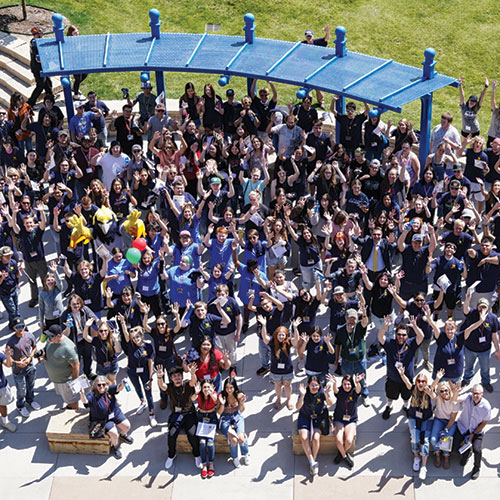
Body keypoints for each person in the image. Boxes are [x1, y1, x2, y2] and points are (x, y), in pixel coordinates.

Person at [378, 316, 424, 420]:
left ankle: (406, 407)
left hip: (407, 379)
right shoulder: (390, 343)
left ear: (407, 335)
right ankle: (389, 407)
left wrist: (415, 327)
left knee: (406, 397)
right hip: (392, 378)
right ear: (395, 334)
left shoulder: (411, 344)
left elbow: (421, 336)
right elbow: (380, 337)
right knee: (390, 396)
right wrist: (384, 327)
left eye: (404, 335)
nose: (401, 337)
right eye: (399, 334)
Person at [157, 364, 202, 470]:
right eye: (174, 376)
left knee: (192, 434)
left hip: (188, 414)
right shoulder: (170, 387)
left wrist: (192, 373)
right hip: (176, 415)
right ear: (171, 378)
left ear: (182, 377)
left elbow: (193, 382)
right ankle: (171, 455)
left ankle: (197, 454)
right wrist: (159, 377)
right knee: (171, 435)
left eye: (178, 376)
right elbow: (162, 386)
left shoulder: (187, 384)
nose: (176, 378)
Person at [397, 368, 437, 480]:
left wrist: (437, 379)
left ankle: (423, 467)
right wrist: (402, 374)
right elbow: (407, 383)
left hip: (426, 419)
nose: (420, 383)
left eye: (423, 381)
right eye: (419, 381)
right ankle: (417, 458)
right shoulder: (413, 388)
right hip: (414, 417)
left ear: (426, 382)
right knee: (414, 438)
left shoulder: (428, 390)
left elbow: (434, 395)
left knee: (424, 440)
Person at [80, 376, 133, 459]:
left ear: (106, 384)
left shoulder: (109, 390)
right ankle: (115, 447)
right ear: (95, 386)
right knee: (114, 434)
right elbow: (85, 401)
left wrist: (123, 383)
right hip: (103, 419)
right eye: (99, 385)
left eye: (103, 384)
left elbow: (119, 388)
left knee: (127, 426)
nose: (101, 387)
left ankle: (123, 435)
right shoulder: (93, 395)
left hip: (115, 413)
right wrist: (82, 394)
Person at [296, 374, 334, 476]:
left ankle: (313, 460)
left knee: (316, 438)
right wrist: (302, 395)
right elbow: (297, 406)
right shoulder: (304, 392)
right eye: (312, 385)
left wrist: (326, 394)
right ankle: (312, 462)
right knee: (304, 438)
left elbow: (330, 404)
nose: (314, 387)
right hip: (305, 416)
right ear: (308, 385)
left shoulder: (322, 392)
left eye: (316, 385)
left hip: (318, 417)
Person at [461, 294, 500, 392]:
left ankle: (486, 382)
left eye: (484, 307)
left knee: (485, 368)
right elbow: (465, 309)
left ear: (488, 308)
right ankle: (467, 379)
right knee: (468, 366)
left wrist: (497, 349)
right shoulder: (472, 314)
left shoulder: (493, 318)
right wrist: (467, 299)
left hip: (485, 350)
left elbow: (494, 335)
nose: (482, 308)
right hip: (470, 348)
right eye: (480, 306)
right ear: (477, 306)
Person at [258, 317, 299, 410]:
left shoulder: (288, 342)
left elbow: (296, 340)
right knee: (278, 385)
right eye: (279, 335)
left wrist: (295, 328)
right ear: (276, 335)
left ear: (286, 335)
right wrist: (264, 325)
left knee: (288, 385)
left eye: (283, 335)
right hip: (275, 370)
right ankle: (278, 399)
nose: (281, 337)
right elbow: (264, 337)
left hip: (287, 370)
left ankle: (288, 399)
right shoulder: (272, 342)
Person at [120, 324, 156, 427]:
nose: (136, 339)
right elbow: (126, 334)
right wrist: (122, 322)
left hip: (144, 372)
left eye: (137, 337)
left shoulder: (148, 346)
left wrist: (150, 378)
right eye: (134, 338)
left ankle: (151, 414)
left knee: (148, 392)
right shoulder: (131, 344)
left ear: (141, 336)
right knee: (137, 388)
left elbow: (150, 363)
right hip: (132, 371)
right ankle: (142, 401)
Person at [454, 384, 491, 480]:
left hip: (476, 431)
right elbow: (455, 399)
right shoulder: (468, 397)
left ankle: (476, 468)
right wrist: (456, 392)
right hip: (463, 427)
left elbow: (484, 423)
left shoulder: (486, 407)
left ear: (482, 394)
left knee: (477, 450)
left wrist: (473, 434)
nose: (475, 396)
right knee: (453, 446)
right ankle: (465, 454)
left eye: (477, 394)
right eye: (474, 393)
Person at [335, 306, 370, 405]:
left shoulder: (360, 327)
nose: (351, 321)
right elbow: (338, 345)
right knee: (347, 381)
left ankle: (365, 395)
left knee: (362, 380)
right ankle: (348, 396)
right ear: (346, 318)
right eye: (350, 318)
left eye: (354, 318)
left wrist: (364, 314)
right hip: (346, 362)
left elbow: (365, 322)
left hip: (360, 361)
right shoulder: (340, 330)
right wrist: (336, 359)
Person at [6, 317, 40, 418]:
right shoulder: (11, 342)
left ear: (25, 326)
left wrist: (30, 358)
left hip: (30, 367)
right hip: (18, 371)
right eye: (17, 327)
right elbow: (9, 359)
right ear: (14, 328)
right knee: (21, 390)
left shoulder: (30, 336)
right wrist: (17, 363)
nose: (20, 329)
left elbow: (34, 347)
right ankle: (20, 406)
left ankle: (30, 400)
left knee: (31, 385)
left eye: (21, 326)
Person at [44, 324, 80, 410]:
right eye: (48, 335)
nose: (48, 338)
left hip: (65, 381)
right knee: (66, 398)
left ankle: (72, 409)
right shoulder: (51, 341)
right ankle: (69, 406)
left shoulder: (68, 348)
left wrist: (73, 383)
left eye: (51, 336)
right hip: (57, 379)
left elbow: (76, 366)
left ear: (59, 336)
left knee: (72, 399)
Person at [332, 373, 363, 469]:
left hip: (351, 420)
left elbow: (358, 390)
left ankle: (340, 453)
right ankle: (345, 456)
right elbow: (335, 390)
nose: (346, 386)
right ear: (342, 384)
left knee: (349, 441)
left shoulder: (354, 392)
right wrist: (334, 383)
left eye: (348, 384)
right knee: (339, 440)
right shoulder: (340, 391)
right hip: (339, 419)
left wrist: (358, 382)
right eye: (344, 384)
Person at [217, 377, 250, 468]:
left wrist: (242, 403)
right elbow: (219, 412)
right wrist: (222, 404)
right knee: (234, 440)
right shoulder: (221, 396)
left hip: (237, 417)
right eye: (227, 387)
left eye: (231, 387)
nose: (229, 390)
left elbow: (241, 410)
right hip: (225, 419)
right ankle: (235, 457)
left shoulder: (238, 395)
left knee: (241, 438)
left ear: (234, 387)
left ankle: (246, 453)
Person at [429, 374, 459, 470]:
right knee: (433, 440)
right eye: (441, 391)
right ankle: (437, 453)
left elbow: (453, 418)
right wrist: (437, 378)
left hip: (450, 422)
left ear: (449, 390)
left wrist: (446, 429)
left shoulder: (454, 402)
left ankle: (446, 456)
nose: (444, 393)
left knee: (445, 440)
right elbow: (431, 391)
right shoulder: (438, 398)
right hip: (439, 419)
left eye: (446, 390)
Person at [195, 379, 219, 478]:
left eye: (208, 387)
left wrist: (211, 392)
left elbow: (215, 400)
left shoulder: (213, 393)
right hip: (201, 416)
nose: (206, 389)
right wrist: (196, 392)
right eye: (204, 387)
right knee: (202, 442)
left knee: (210, 442)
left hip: (212, 417)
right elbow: (192, 398)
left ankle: (211, 464)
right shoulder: (199, 394)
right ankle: (204, 464)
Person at [27, 27, 52, 107]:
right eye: (41, 33)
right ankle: (30, 102)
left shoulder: (35, 41)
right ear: (37, 35)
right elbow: (39, 60)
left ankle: (50, 98)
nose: (42, 34)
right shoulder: (35, 45)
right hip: (38, 68)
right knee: (40, 85)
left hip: (42, 67)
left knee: (48, 83)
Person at [0, 346, 16, 432]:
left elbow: (9, 365)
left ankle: (5, 422)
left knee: (2, 405)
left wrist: (8, 356)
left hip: (2, 386)